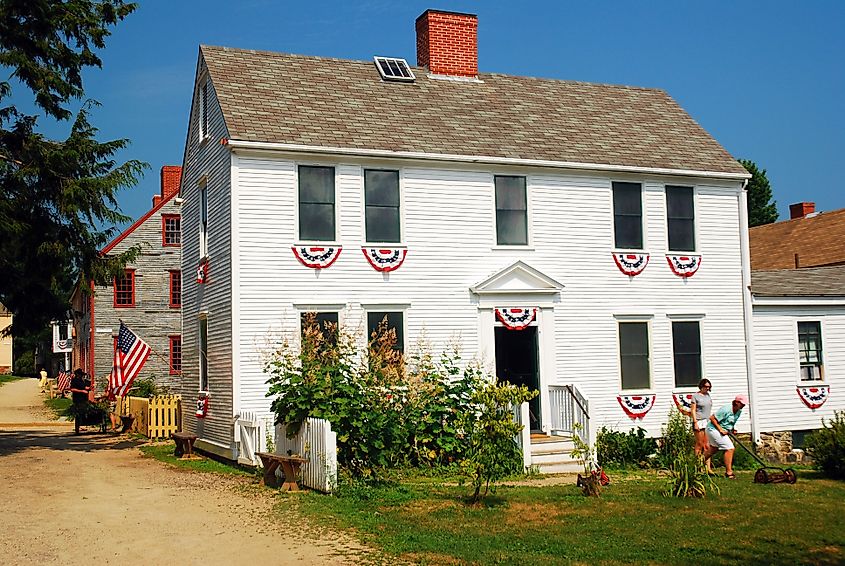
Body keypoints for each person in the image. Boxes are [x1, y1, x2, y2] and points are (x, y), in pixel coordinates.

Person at [705, 394, 749, 479]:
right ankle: (729, 473)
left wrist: (733, 429)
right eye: (742, 403)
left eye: (744, 404)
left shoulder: (739, 411)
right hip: (713, 429)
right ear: (736, 402)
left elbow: (731, 422)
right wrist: (720, 429)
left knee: (713, 449)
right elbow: (712, 418)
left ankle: (696, 463)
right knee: (730, 448)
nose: (743, 405)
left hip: (721, 430)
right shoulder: (726, 409)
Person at [689, 379, 714, 473]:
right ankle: (698, 466)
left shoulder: (708, 395)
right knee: (699, 444)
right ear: (701, 386)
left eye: (708, 387)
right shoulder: (695, 396)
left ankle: (708, 467)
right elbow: (693, 410)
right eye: (705, 387)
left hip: (707, 421)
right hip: (699, 421)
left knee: (707, 444)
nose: (707, 388)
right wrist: (695, 422)